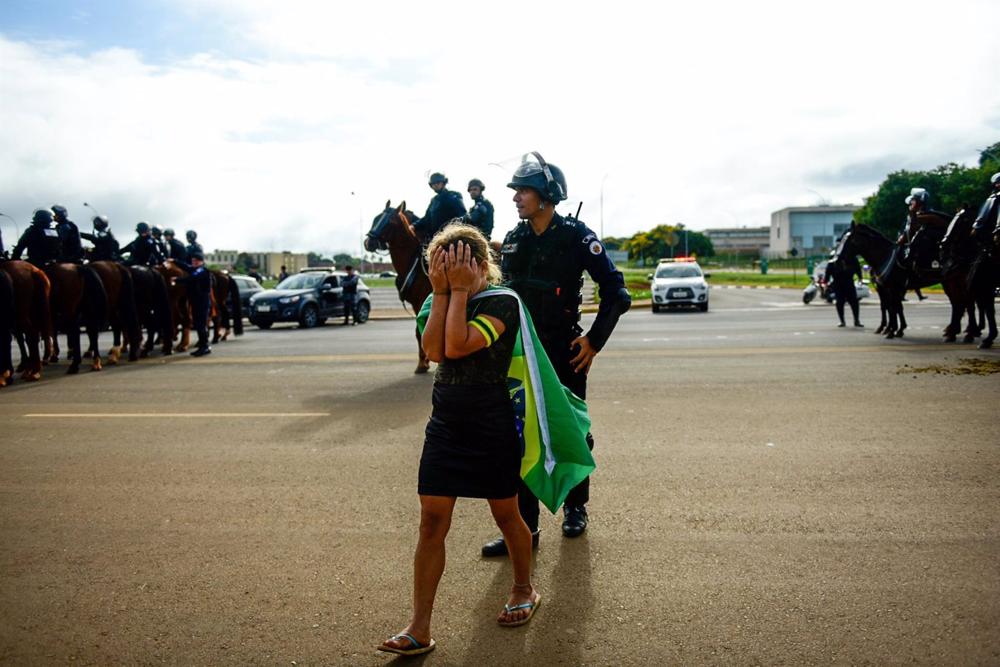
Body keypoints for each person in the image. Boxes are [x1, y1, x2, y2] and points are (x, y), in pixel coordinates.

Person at [378, 224, 538, 657]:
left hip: (491, 424)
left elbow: (459, 343)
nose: (445, 273)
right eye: (439, 266)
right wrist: (444, 293)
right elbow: (433, 351)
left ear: (478, 264)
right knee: (430, 521)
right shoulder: (436, 298)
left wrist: (460, 292)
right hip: (446, 425)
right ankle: (419, 626)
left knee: (507, 515)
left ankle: (524, 587)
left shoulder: (503, 301)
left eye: (454, 265)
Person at [482, 153, 631, 557]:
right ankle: (524, 530)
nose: (516, 197)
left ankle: (575, 507)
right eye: (515, 190)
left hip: (564, 354)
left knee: (571, 433)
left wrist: (594, 342)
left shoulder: (577, 238)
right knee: (519, 437)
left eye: (523, 190)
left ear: (547, 196)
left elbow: (617, 294)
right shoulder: (514, 239)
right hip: (519, 356)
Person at [168, 251, 212, 356]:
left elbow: (192, 278)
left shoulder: (202, 270)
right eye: (193, 260)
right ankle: (203, 345)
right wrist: (174, 261)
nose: (194, 262)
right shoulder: (196, 269)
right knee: (198, 324)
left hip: (202, 301)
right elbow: (186, 267)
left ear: (201, 261)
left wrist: (177, 279)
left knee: (200, 325)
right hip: (196, 301)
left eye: (196, 261)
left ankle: (204, 346)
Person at [412, 172, 467, 242]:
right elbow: (426, 218)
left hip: (451, 238)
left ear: (443, 183)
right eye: (433, 184)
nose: (435, 185)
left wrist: (452, 231)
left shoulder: (453, 196)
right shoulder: (434, 201)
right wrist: (413, 226)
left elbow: (463, 216)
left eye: (438, 183)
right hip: (435, 239)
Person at [825, 248, 864, 328]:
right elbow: (828, 269)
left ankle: (856, 320)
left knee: (854, 302)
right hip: (838, 283)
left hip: (848, 282)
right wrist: (826, 281)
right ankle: (842, 321)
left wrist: (860, 277)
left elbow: (857, 267)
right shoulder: (834, 257)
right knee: (840, 302)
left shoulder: (851, 257)